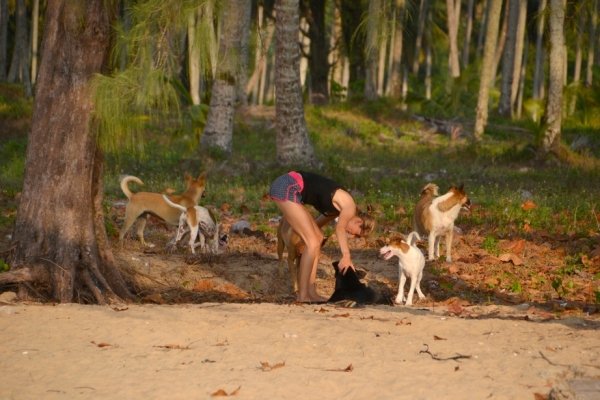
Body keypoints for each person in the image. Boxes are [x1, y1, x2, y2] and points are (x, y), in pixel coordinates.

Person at [270, 171, 375, 303]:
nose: (352, 236)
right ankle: (302, 297)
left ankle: (312, 293)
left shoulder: (336, 210)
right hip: (287, 186)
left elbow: (316, 225)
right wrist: (346, 256)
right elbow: (339, 228)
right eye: (357, 234)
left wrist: (306, 240)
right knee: (313, 242)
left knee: (317, 238)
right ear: (359, 222)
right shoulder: (350, 207)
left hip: (293, 191)